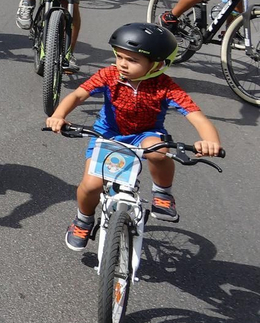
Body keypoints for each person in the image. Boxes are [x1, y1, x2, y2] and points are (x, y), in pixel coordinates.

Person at [44, 22, 222, 249]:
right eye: (119, 56)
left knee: (159, 151)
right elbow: (78, 95)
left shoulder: (166, 87)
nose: (122, 64)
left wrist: (210, 141)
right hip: (108, 134)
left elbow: (197, 116)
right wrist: (58, 115)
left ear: (157, 64)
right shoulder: (109, 75)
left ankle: (163, 193)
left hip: (145, 134)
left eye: (132, 60)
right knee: (90, 186)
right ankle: (83, 219)